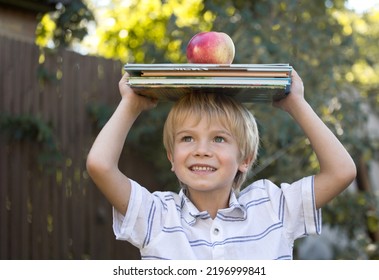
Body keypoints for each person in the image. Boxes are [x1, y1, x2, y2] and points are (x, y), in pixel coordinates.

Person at [86, 69, 356, 260]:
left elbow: (341, 171)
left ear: (245, 159)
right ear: (171, 156)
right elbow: (100, 165)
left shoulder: (273, 209)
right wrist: (130, 105)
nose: (201, 150)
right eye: (187, 138)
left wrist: (296, 103)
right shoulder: (156, 216)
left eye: (218, 138)